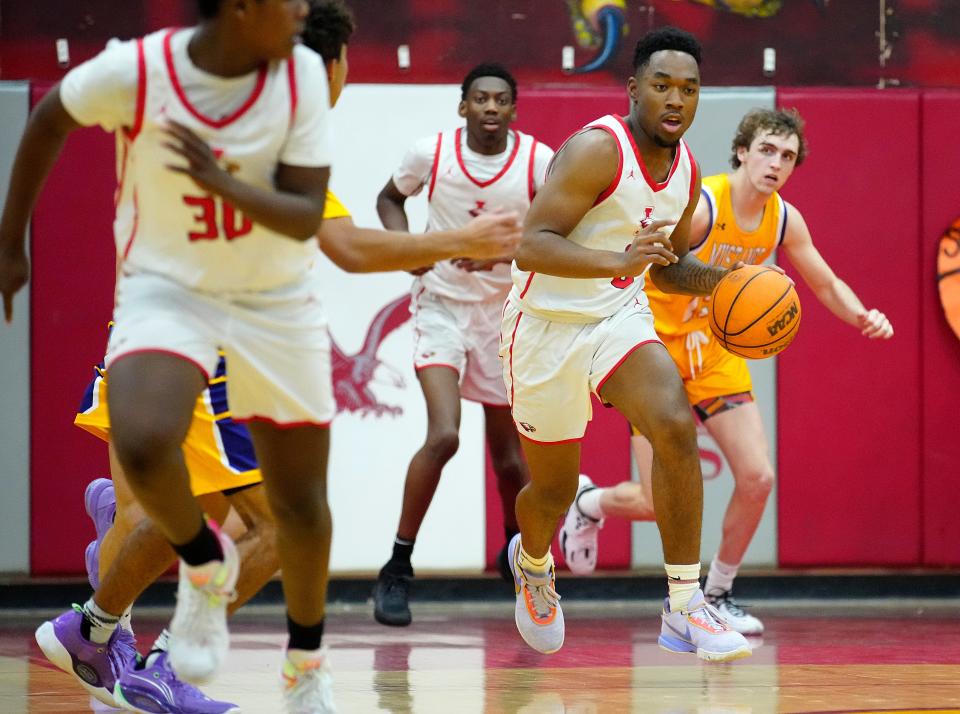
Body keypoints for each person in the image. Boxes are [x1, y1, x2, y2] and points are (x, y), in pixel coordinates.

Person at [15, 2, 522, 711]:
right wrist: (461, 242)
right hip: (202, 345)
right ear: (325, 64)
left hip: (177, 334)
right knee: (266, 525)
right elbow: (347, 248)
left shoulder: (257, 115)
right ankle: (152, 657)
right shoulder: (256, 117)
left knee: (206, 518)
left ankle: (105, 610)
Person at [559, 107, 893, 634]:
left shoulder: (784, 218)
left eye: (786, 156)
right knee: (652, 502)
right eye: (766, 149)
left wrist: (862, 315)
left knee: (758, 477)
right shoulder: (706, 205)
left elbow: (825, 283)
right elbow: (659, 269)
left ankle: (717, 594)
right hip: (656, 351)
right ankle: (590, 501)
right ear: (742, 150)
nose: (775, 162)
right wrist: (722, 282)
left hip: (715, 355)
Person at [499, 26, 751, 661]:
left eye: (689, 89)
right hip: (543, 326)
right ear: (634, 88)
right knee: (551, 493)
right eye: (662, 85)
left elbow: (665, 268)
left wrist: (729, 283)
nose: (675, 99)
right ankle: (532, 563)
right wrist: (618, 256)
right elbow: (531, 244)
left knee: (672, 423)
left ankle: (685, 606)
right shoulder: (596, 150)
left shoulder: (687, 168)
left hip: (616, 314)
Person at [372, 63, 554, 627]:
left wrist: (501, 256)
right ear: (463, 107)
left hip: (505, 314)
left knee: (508, 460)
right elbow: (388, 199)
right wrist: (406, 248)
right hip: (442, 306)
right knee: (445, 434)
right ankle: (397, 568)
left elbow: (558, 233)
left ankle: (515, 555)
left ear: (514, 110)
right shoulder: (431, 153)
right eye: (481, 99)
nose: (492, 107)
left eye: (502, 99)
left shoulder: (538, 162)